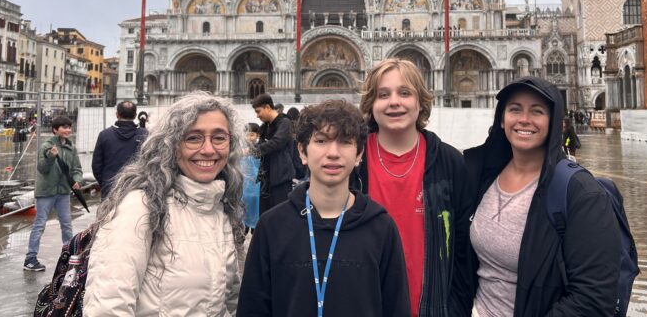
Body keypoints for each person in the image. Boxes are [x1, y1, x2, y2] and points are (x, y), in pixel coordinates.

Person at [463, 77, 621, 316]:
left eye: (537, 111)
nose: (524, 119)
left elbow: (593, 300)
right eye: (515, 109)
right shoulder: (482, 176)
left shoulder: (582, 193)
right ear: (502, 120)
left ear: (554, 121)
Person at [239, 99, 411, 316]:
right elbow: (253, 308)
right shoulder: (271, 227)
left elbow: (397, 308)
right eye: (321, 141)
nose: (333, 153)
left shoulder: (381, 227)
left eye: (345, 142)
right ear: (302, 151)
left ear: (359, 155)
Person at [84, 92, 243, 315]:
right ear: (171, 145)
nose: (208, 149)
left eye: (219, 137)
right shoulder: (139, 207)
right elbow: (108, 307)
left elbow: (229, 302)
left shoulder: (219, 207)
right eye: (193, 138)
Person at [357, 58, 472, 316]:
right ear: (370, 105)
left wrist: (455, 310)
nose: (394, 102)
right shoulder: (352, 161)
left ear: (420, 102)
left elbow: (465, 249)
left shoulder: (450, 163)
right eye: (383, 94)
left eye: (405, 93)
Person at [24, 116, 83, 272]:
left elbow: (77, 169)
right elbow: (42, 169)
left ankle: (70, 255)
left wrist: (77, 180)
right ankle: (30, 259)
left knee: (66, 224)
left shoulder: (71, 148)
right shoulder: (47, 146)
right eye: (64, 127)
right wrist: (50, 156)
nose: (68, 130)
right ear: (55, 130)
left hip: (63, 192)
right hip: (46, 192)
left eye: (69, 127)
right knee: (39, 224)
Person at [91, 100, 149, 199]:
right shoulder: (145, 134)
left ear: (117, 114)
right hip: (137, 187)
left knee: (110, 214)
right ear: (135, 115)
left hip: (110, 187)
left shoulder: (105, 135)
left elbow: (96, 165)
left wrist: (105, 182)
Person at [251, 93, 294, 214]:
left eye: (258, 111)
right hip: (265, 178)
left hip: (281, 177)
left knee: (280, 215)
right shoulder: (265, 126)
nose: (257, 115)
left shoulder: (285, 122)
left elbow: (277, 142)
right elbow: (260, 144)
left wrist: (252, 150)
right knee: (264, 215)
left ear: (267, 107)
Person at [241, 122, 261, 233]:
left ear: (258, 136)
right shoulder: (240, 149)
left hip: (256, 191)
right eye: (247, 134)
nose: (249, 137)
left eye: (252, 135)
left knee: (255, 223)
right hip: (243, 192)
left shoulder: (261, 149)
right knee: (242, 224)